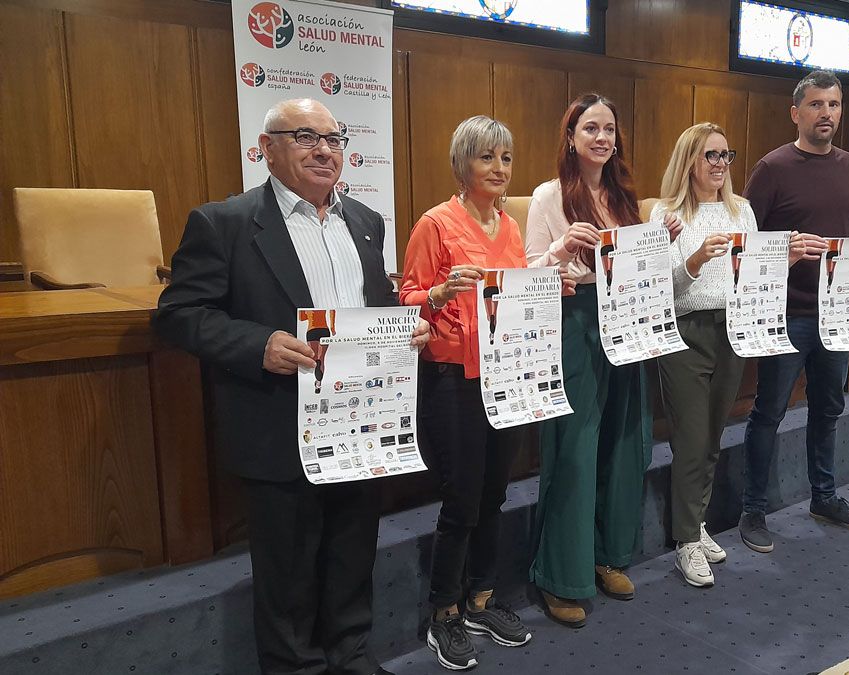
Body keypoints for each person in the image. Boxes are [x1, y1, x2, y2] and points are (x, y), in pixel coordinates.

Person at [155, 98, 430, 675]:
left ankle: (351, 655)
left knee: (353, 553)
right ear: (266, 149)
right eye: (305, 136)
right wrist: (257, 344)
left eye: (334, 138)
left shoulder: (365, 221)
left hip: (359, 422)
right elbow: (179, 314)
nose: (324, 149)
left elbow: (372, 304)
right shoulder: (223, 223)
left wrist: (407, 331)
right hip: (279, 424)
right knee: (288, 571)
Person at [400, 115, 573, 671]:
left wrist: (552, 287)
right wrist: (437, 291)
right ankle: (443, 612)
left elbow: (516, 296)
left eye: (506, 159)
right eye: (486, 158)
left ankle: (480, 598)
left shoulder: (512, 226)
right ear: (462, 164)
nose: (499, 169)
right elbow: (405, 300)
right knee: (461, 500)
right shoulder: (435, 223)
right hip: (453, 379)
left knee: (496, 493)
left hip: (506, 375)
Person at [524, 93, 678, 627]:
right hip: (573, 322)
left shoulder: (624, 196)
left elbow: (641, 269)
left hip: (626, 319)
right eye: (591, 128)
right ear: (571, 137)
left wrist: (661, 242)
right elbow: (529, 277)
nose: (602, 138)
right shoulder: (547, 197)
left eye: (610, 129)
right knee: (576, 446)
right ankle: (561, 575)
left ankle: (609, 555)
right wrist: (563, 250)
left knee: (625, 440)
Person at [739, 70, 849, 552]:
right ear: (796, 113)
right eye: (816, 105)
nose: (826, 114)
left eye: (833, 105)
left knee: (829, 408)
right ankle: (753, 509)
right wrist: (782, 247)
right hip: (787, 311)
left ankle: (824, 496)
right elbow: (746, 238)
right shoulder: (772, 167)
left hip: (838, 313)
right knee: (768, 412)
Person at [653, 122, 806, 587]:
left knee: (714, 434)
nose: (719, 165)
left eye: (725, 155)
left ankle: (696, 525)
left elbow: (754, 276)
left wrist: (787, 260)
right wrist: (695, 259)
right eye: (709, 156)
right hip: (685, 330)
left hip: (732, 330)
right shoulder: (668, 213)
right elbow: (660, 288)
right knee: (691, 437)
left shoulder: (742, 211)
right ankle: (684, 541)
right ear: (688, 161)